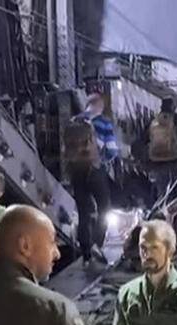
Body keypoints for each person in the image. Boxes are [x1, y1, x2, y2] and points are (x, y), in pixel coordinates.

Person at [64, 93, 118, 264]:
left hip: (75, 170)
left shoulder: (74, 121)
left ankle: (85, 251)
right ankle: (97, 244)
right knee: (104, 208)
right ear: (100, 105)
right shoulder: (103, 122)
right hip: (95, 170)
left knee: (83, 211)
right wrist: (103, 160)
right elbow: (112, 150)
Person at [142, 96, 177, 201]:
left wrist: (145, 161)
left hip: (157, 164)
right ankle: (175, 213)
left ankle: (162, 213)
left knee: (162, 193)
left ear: (161, 106)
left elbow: (143, 140)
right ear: (174, 107)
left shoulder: (153, 121)